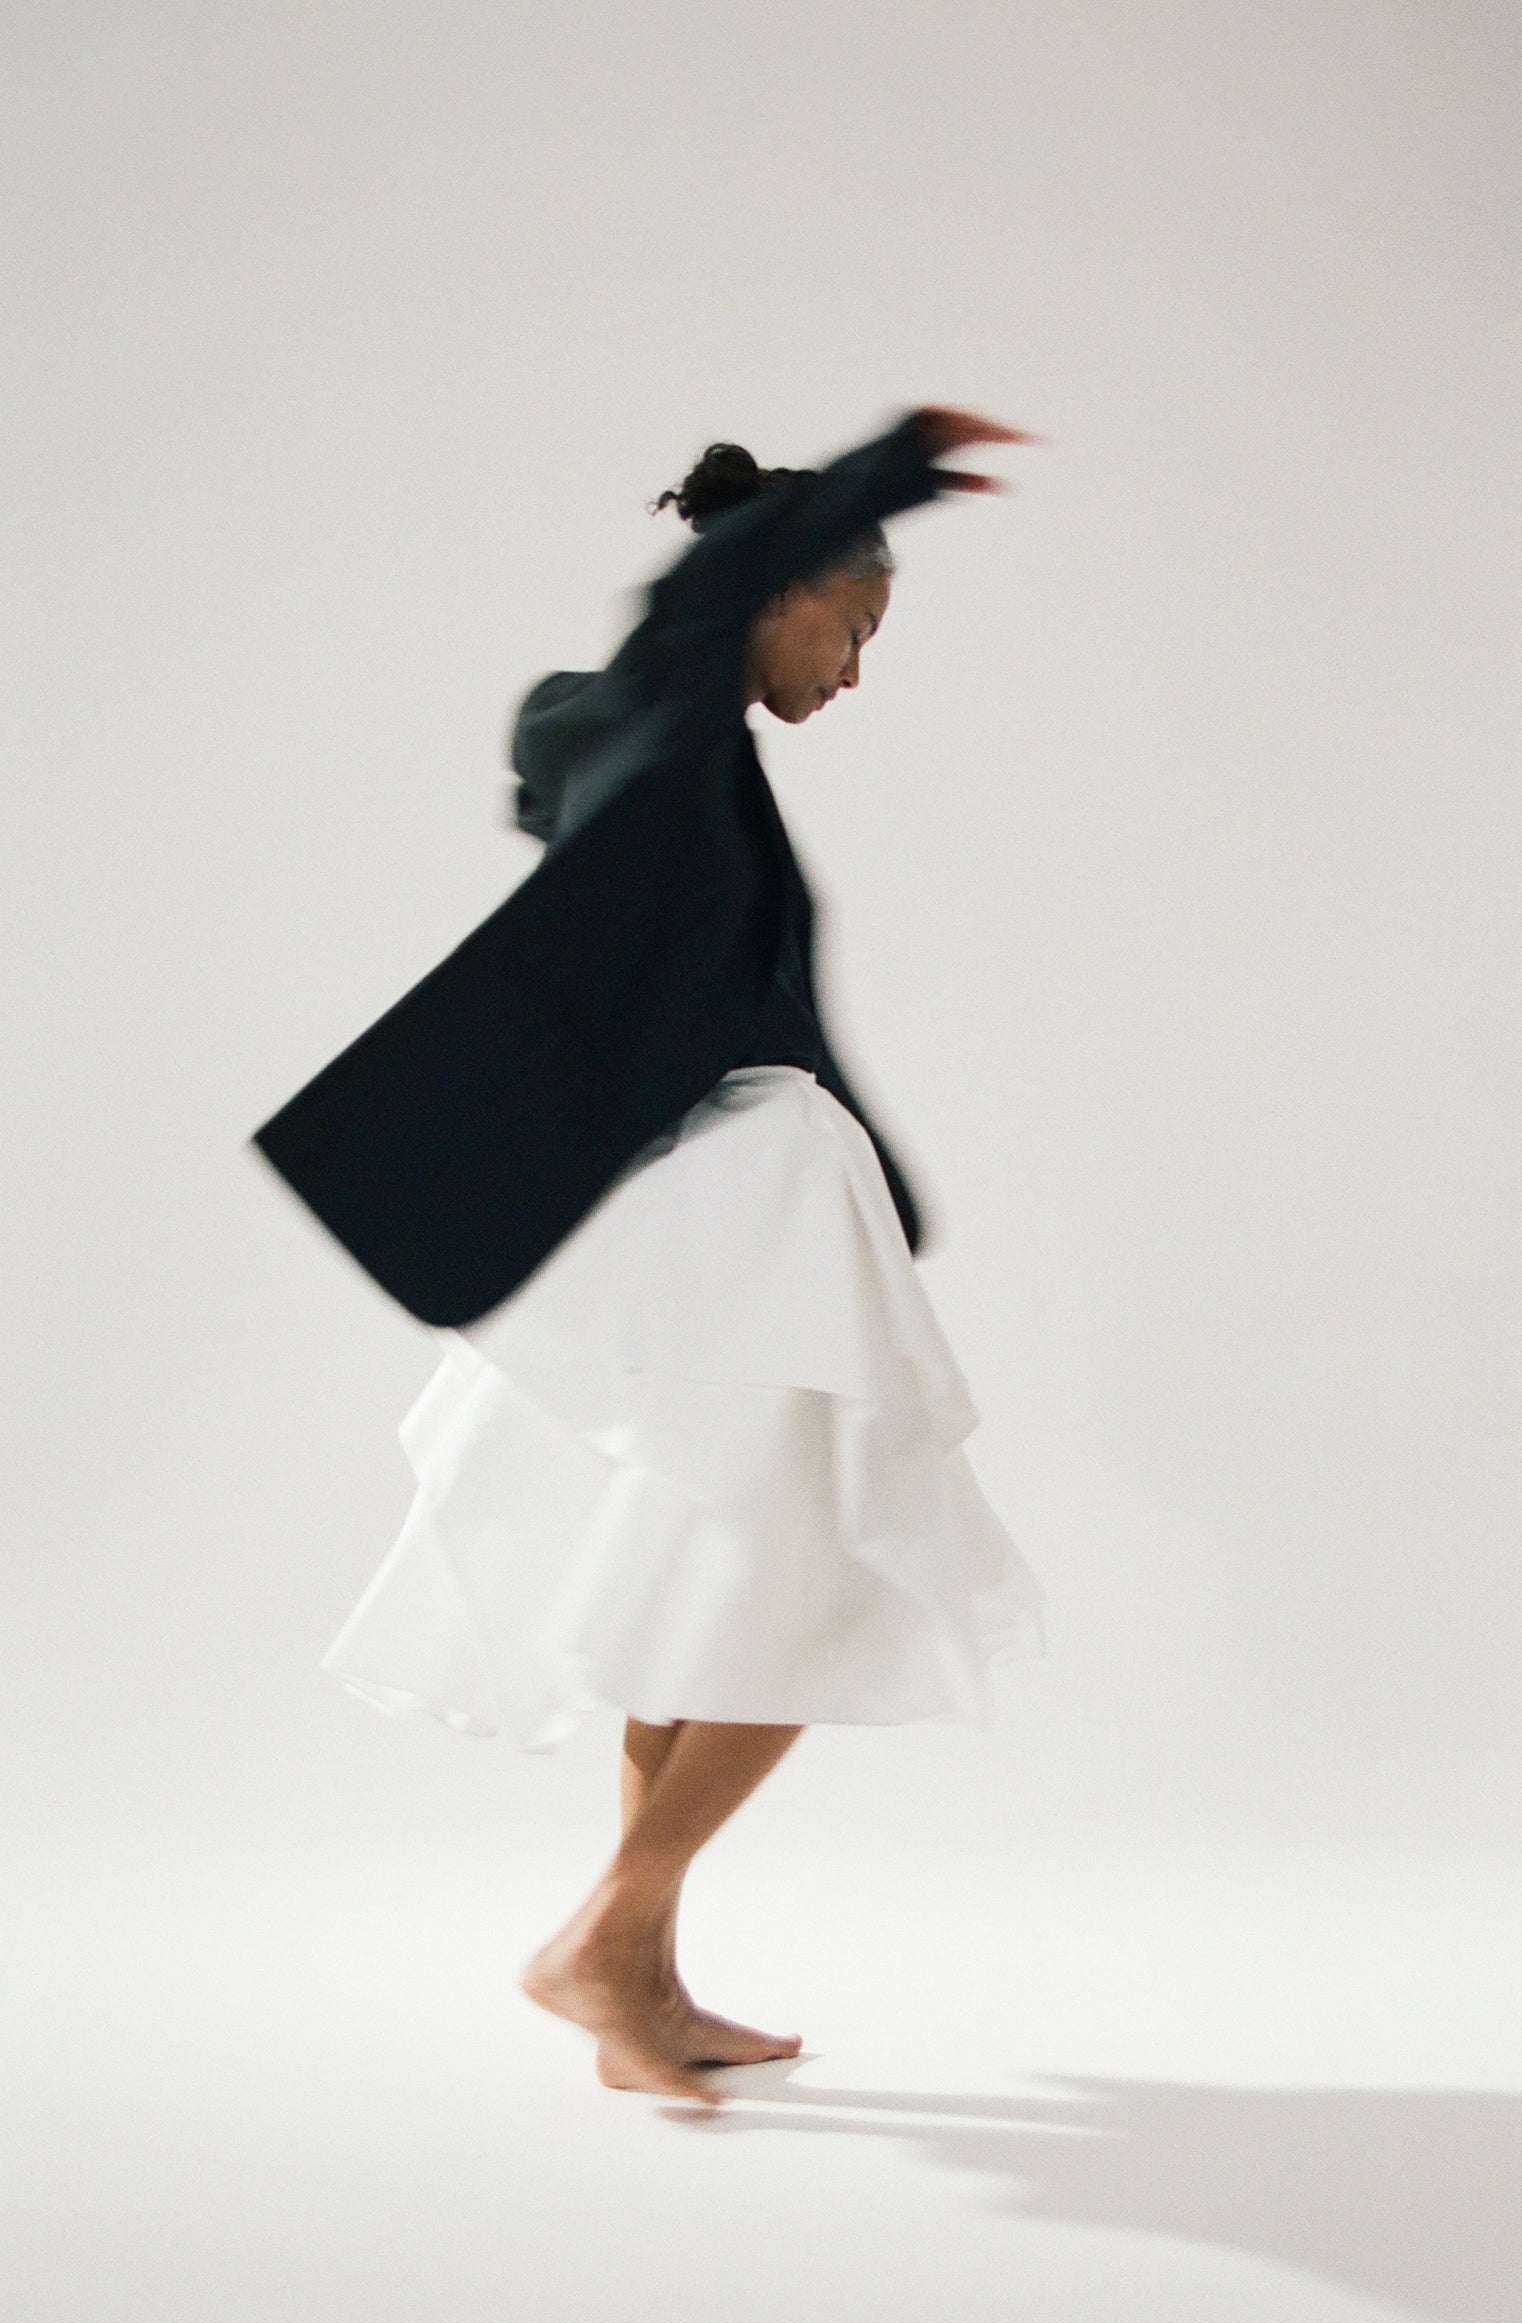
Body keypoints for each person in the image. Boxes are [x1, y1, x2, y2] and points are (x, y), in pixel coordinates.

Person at [250, 403, 1048, 2107]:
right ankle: (606, 1940)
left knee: (715, 1590)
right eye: (853, 626)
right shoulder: (671, 711)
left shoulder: (645, 751)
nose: (853, 671)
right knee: (813, 1585)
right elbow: (701, 608)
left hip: (734, 1195)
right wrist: (892, 465)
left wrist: (881, 1184)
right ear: (786, 589)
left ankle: (644, 1985)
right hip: (740, 1207)